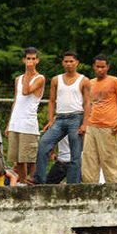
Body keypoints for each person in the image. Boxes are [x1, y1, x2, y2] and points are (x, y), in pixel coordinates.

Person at [33, 51, 90, 184]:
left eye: (71, 61)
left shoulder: (84, 80)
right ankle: (39, 180)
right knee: (43, 144)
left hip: (76, 117)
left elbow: (87, 103)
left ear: (77, 63)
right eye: (66, 61)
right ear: (62, 63)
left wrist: (85, 123)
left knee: (75, 154)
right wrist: (51, 119)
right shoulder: (56, 79)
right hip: (60, 118)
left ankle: (73, 185)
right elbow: (52, 101)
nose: (68, 64)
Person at [82, 54, 117, 184]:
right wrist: (84, 124)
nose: (100, 70)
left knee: (110, 161)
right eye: (97, 67)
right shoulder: (90, 83)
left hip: (108, 127)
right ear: (93, 67)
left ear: (107, 67)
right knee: (89, 160)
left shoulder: (114, 81)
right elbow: (87, 105)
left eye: (103, 67)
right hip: (91, 126)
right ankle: (90, 189)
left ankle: (115, 191)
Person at [5, 47, 45, 183]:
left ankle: (31, 182)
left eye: (33, 59)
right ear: (24, 60)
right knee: (18, 159)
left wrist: (29, 71)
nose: (31, 61)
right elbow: (16, 100)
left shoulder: (40, 78)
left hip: (29, 124)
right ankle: (22, 183)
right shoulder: (18, 79)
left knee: (29, 158)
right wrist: (9, 124)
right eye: (28, 58)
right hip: (16, 123)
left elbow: (26, 91)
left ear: (37, 60)